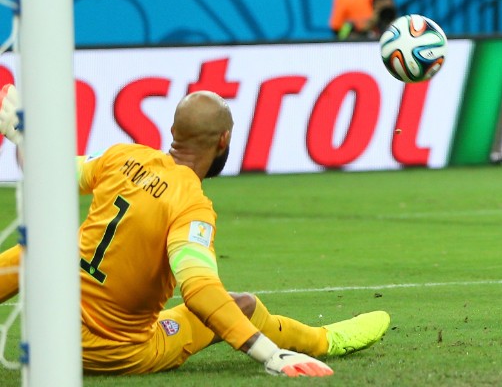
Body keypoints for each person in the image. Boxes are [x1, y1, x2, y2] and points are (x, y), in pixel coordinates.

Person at [0, 86, 390, 376]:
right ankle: (325, 341)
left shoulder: (122, 156)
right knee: (243, 305)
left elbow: (55, 171)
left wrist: (24, 138)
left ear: (172, 131)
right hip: (117, 352)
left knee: (42, 248)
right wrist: (267, 353)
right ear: (223, 141)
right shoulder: (191, 206)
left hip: (50, 333)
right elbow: (200, 290)